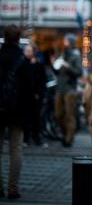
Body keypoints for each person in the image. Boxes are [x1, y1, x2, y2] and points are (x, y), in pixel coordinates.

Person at [0, 25, 29, 199]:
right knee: (16, 149)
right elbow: (28, 91)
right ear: (18, 39)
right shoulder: (23, 61)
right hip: (17, 112)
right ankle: (13, 188)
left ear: (4, 37)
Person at [53, 33, 83, 147]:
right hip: (60, 87)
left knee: (70, 115)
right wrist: (54, 65)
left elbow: (79, 72)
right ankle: (65, 133)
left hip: (70, 88)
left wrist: (68, 67)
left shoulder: (76, 55)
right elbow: (58, 71)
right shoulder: (63, 53)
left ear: (71, 42)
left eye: (66, 41)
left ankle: (69, 139)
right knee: (58, 114)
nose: (64, 42)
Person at [23, 43, 47, 147]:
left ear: (33, 52)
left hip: (36, 96)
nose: (27, 53)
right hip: (25, 95)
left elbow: (42, 80)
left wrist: (39, 93)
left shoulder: (38, 64)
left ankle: (36, 138)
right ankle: (26, 139)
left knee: (36, 118)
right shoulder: (22, 63)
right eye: (26, 51)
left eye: (29, 51)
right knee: (26, 118)